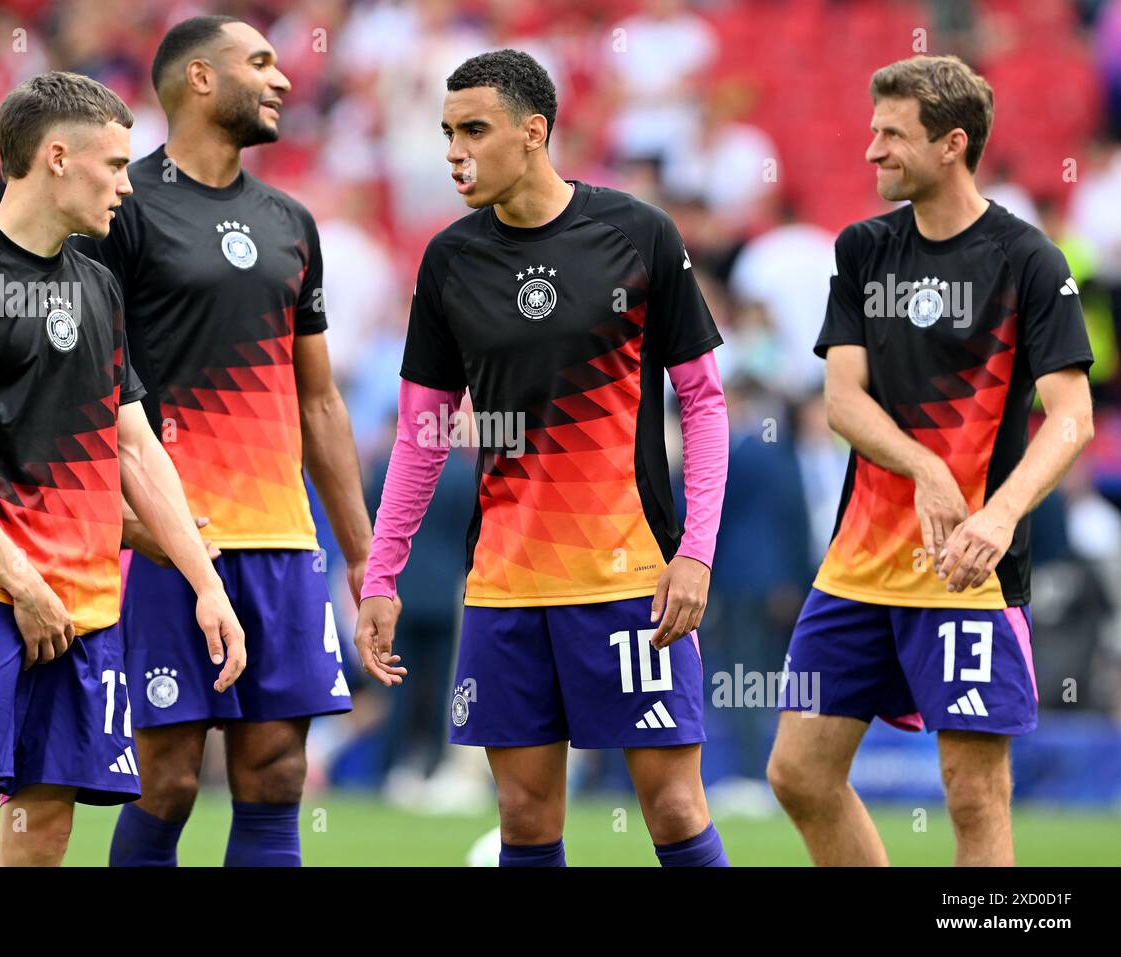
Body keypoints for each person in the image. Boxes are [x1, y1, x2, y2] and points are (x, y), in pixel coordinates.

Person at [354, 50, 731, 867]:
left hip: (631, 580)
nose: (454, 151)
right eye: (447, 132)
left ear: (534, 132)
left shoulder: (637, 235)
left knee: (671, 808)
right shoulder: (449, 261)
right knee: (525, 820)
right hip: (504, 587)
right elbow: (423, 432)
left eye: (474, 131)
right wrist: (381, 574)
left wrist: (695, 552)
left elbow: (703, 401)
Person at [0, 71, 245, 867]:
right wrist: (23, 583)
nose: (127, 184)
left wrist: (204, 581)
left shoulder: (99, 287)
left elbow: (137, 446)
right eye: (114, 166)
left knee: (42, 829)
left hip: (86, 600)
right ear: (56, 157)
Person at [766, 55, 1095, 866]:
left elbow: (1073, 417)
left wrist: (998, 511)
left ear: (952, 144)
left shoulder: (1028, 261)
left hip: (969, 574)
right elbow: (842, 399)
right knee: (799, 772)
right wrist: (926, 465)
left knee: (973, 794)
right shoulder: (864, 250)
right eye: (871, 130)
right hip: (857, 566)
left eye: (891, 134)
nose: (871, 150)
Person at [77, 16, 371, 868]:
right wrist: (119, 520)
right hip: (169, 541)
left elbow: (318, 403)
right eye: (262, 63)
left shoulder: (291, 221)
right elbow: (88, 388)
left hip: (281, 539)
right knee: (165, 778)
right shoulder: (121, 209)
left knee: (277, 773)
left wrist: (362, 553)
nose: (283, 80)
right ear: (200, 79)